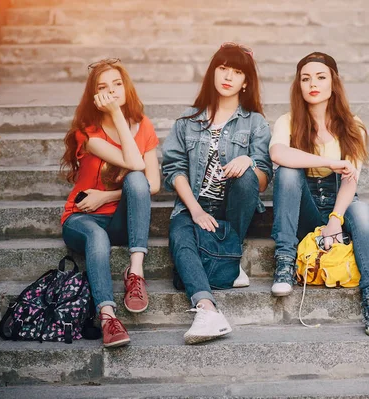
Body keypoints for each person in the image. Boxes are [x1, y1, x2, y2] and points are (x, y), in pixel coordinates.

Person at [269, 52, 369, 337]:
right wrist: (327, 162)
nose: (313, 83)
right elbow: (277, 153)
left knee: (361, 210)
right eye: (306, 78)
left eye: (321, 77)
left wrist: (335, 220)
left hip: (339, 201)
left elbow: (350, 180)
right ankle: (284, 262)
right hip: (303, 206)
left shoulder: (352, 125)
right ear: (298, 85)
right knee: (286, 171)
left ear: (333, 83)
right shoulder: (287, 121)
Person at [162, 43, 273, 344]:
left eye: (237, 72)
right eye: (223, 68)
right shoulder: (188, 120)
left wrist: (248, 160)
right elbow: (173, 169)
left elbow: (263, 180)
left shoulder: (255, 123)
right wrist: (196, 210)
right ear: (213, 71)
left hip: (232, 207)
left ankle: (230, 250)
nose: (228, 76)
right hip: (194, 204)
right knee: (180, 235)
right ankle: (207, 311)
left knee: (247, 175)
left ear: (245, 81)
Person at [60, 58, 160, 348]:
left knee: (137, 181)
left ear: (127, 87)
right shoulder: (88, 132)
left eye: (117, 84)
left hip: (120, 218)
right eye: (103, 87)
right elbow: (132, 160)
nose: (112, 91)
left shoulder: (143, 126)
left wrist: (106, 195)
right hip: (82, 218)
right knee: (97, 236)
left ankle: (135, 272)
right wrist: (116, 114)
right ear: (94, 97)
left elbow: (150, 182)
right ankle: (107, 316)